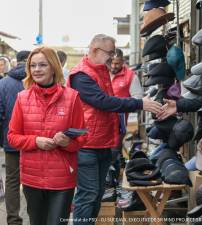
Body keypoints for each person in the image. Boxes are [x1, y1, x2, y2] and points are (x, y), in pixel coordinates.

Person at [67, 34, 162, 224]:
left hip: (102, 142)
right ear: (95, 50)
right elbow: (102, 102)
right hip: (87, 144)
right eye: (110, 54)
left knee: (97, 193)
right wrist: (139, 103)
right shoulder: (81, 75)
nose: (113, 58)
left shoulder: (100, 69)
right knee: (88, 194)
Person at [7, 46, 87, 225]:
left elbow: (81, 139)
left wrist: (66, 142)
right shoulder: (22, 98)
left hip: (62, 179)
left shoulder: (72, 97)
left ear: (53, 67)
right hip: (32, 178)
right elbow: (12, 137)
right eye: (33, 65)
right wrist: (36, 141)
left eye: (42, 65)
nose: (36, 70)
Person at [0, 50, 30, 225]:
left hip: (12, 139)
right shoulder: (38, 80)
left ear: (15, 62)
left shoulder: (4, 83)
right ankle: (35, 216)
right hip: (36, 141)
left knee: (12, 180)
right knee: (33, 181)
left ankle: (13, 219)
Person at [108, 48, 143, 193]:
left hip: (119, 120)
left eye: (117, 63)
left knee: (114, 150)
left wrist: (120, 103)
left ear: (123, 61)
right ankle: (109, 182)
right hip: (100, 120)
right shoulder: (102, 72)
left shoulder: (130, 76)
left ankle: (112, 185)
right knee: (104, 152)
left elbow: (137, 99)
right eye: (112, 63)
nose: (114, 66)